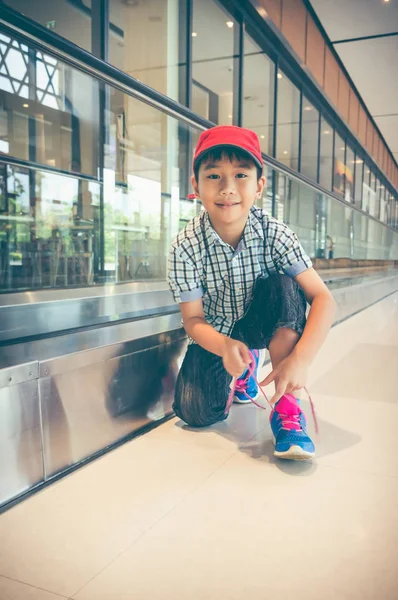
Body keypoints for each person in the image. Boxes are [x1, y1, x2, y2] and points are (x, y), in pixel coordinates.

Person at [168, 126, 336, 460]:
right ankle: (243, 369)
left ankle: (288, 413)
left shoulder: (275, 234)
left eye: (241, 175)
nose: (227, 188)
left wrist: (301, 360)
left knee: (286, 287)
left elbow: (323, 298)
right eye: (213, 175)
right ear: (196, 186)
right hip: (219, 332)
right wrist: (224, 346)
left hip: (264, 320)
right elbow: (193, 320)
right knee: (195, 413)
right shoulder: (185, 246)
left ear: (259, 186)